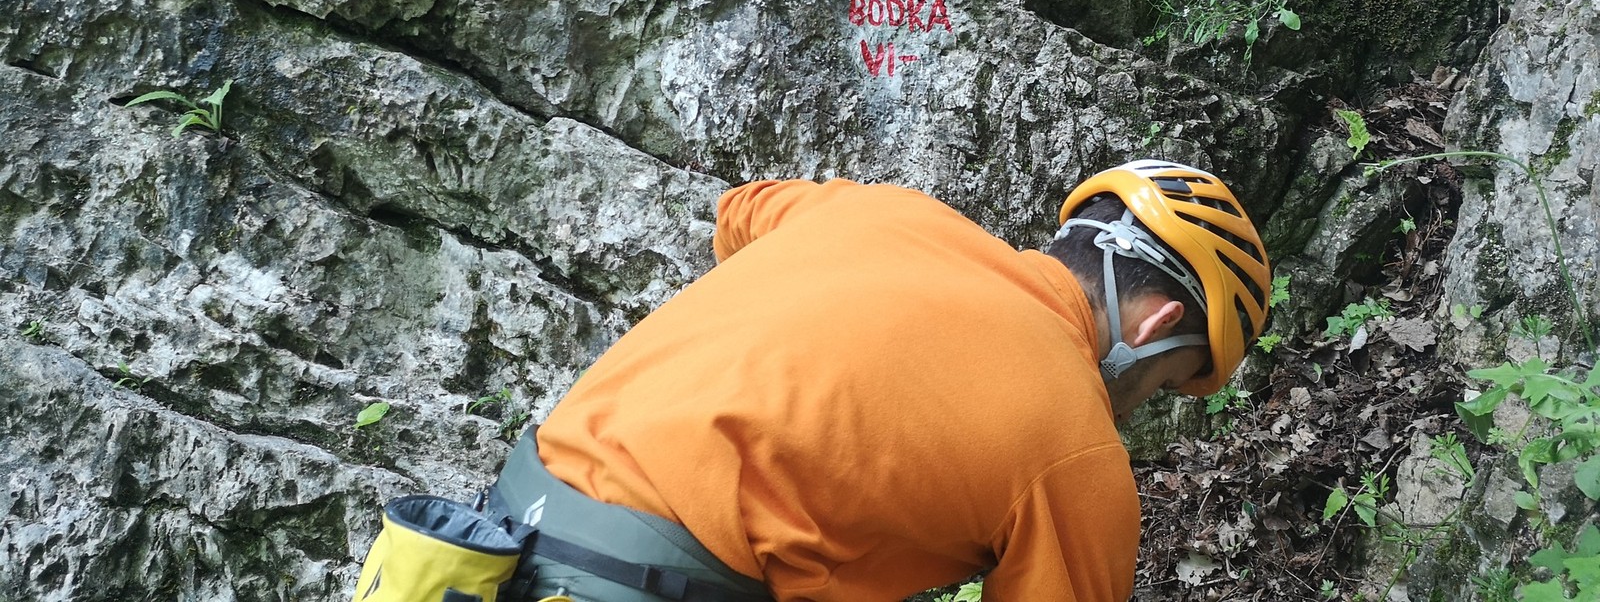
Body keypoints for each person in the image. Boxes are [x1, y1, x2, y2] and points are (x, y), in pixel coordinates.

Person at [437, 159, 1270, 602]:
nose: (1142, 403)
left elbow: (741, 212)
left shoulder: (884, 214)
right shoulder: (1075, 454)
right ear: (1157, 326)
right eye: (1165, 383)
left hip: (491, 537)